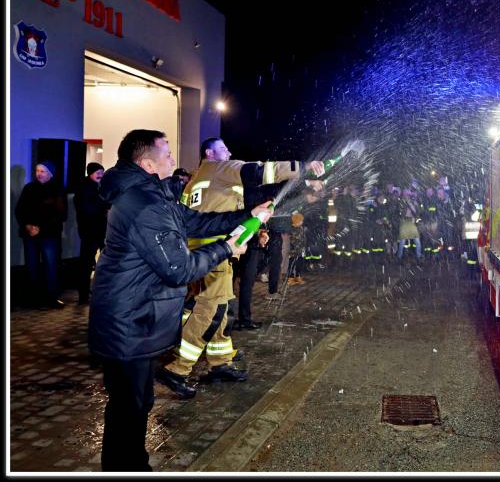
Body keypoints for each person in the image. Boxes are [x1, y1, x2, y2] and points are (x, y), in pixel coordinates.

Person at [88, 129, 271, 472]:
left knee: (137, 404)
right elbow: (179, 269)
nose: (173, 158)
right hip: (127, 322)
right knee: (128, 408)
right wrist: (227, 248)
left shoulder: (152, 196)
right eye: (167, 153)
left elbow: (198, 222)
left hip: (137, 318)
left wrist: (249, 214)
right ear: (147, 164)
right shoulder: (143, 205)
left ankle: (134, 466)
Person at [157, 137, 324, 394]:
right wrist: (302, 167)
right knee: (211, 309)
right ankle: (177, 369)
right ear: (209, 153)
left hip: (200, 252)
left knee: (221, 307)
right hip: (215, 253)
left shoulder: (198, 179)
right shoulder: (219, 167)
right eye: (223, 149)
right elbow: (260, 171)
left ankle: (219, 363)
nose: (229, 152)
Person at [14, 160, 68, 309]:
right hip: (29, 233)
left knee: (50, 265)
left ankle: (51, 298)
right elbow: (20, 210)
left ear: (50, 174)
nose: (39, 174)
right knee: (32, 266)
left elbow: (61, 214)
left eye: (42, 171)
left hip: (49, 234)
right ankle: (33, 298)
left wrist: (40, 228)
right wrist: (27, 226)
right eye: (37, 171)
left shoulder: (57, 190)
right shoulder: (29, 188)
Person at [73, 162, 108, 304]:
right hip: (89, 231)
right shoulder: (84, 188)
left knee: (100, 262)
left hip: (101, 230)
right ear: (90, 173)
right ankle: (83, 294)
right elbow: (88, 209)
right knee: (86, 263)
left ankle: (98, 292)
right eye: (98, 172)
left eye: (102, 172)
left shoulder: (101, 187)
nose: (100, 175)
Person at [287, 212, 306, 284]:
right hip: (294, 251)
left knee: (299, 264)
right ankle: (290, 278)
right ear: (297, 221)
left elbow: (303, 239)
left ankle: (298, 276)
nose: (302, 222)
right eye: (301, 220)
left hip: (301, 250)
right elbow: (293, 241)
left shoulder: (301, 228)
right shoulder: (293, 229)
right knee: (292, 263)